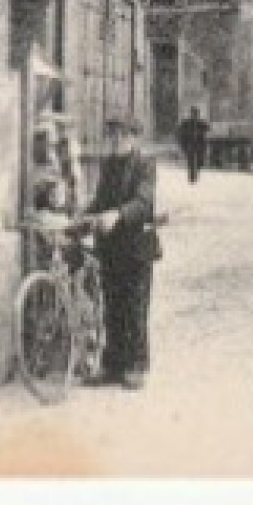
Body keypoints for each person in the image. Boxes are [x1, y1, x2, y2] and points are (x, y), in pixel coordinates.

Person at [89, 116, 160, 390]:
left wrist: (117, 215)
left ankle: (137, 366)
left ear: (134, 138)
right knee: (112, 305)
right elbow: (100, 200)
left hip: (137, 247)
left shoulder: (145, 165)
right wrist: (80, 218)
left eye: (123, 135)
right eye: (113, 135)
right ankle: (113, 365)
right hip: (111, 247)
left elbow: (143, 203)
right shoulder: (108, 166)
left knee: (135, 306)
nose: (117, 140)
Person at [176, 106, 209, 184]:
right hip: (190, 145)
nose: (195, 116)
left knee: (200, 162)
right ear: (191, 114)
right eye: (193, 114)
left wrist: (202, 132)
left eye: (196, 114)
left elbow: (208, 128)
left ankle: (196, 172)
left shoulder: (201, 123)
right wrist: (183, 144)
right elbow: (180, 132)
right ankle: (192, 178)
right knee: (191, 162)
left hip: (199, 145)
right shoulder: (186, 123)